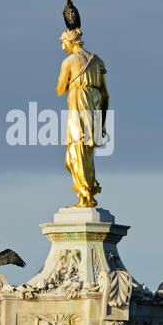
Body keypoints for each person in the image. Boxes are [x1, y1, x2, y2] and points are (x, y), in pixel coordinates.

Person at [56, 29, 110, 208]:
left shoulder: (69, 61)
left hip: (78, 110)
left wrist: (70, 78)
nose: (63, 47)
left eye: (64, 42)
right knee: (85, 155)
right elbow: (106, 95)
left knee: (74, 155)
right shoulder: (97, 61)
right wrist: (101, 121)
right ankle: (88, 192)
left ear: (72, 41)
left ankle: (85, 196)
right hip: (94, 112)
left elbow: (60, 90)